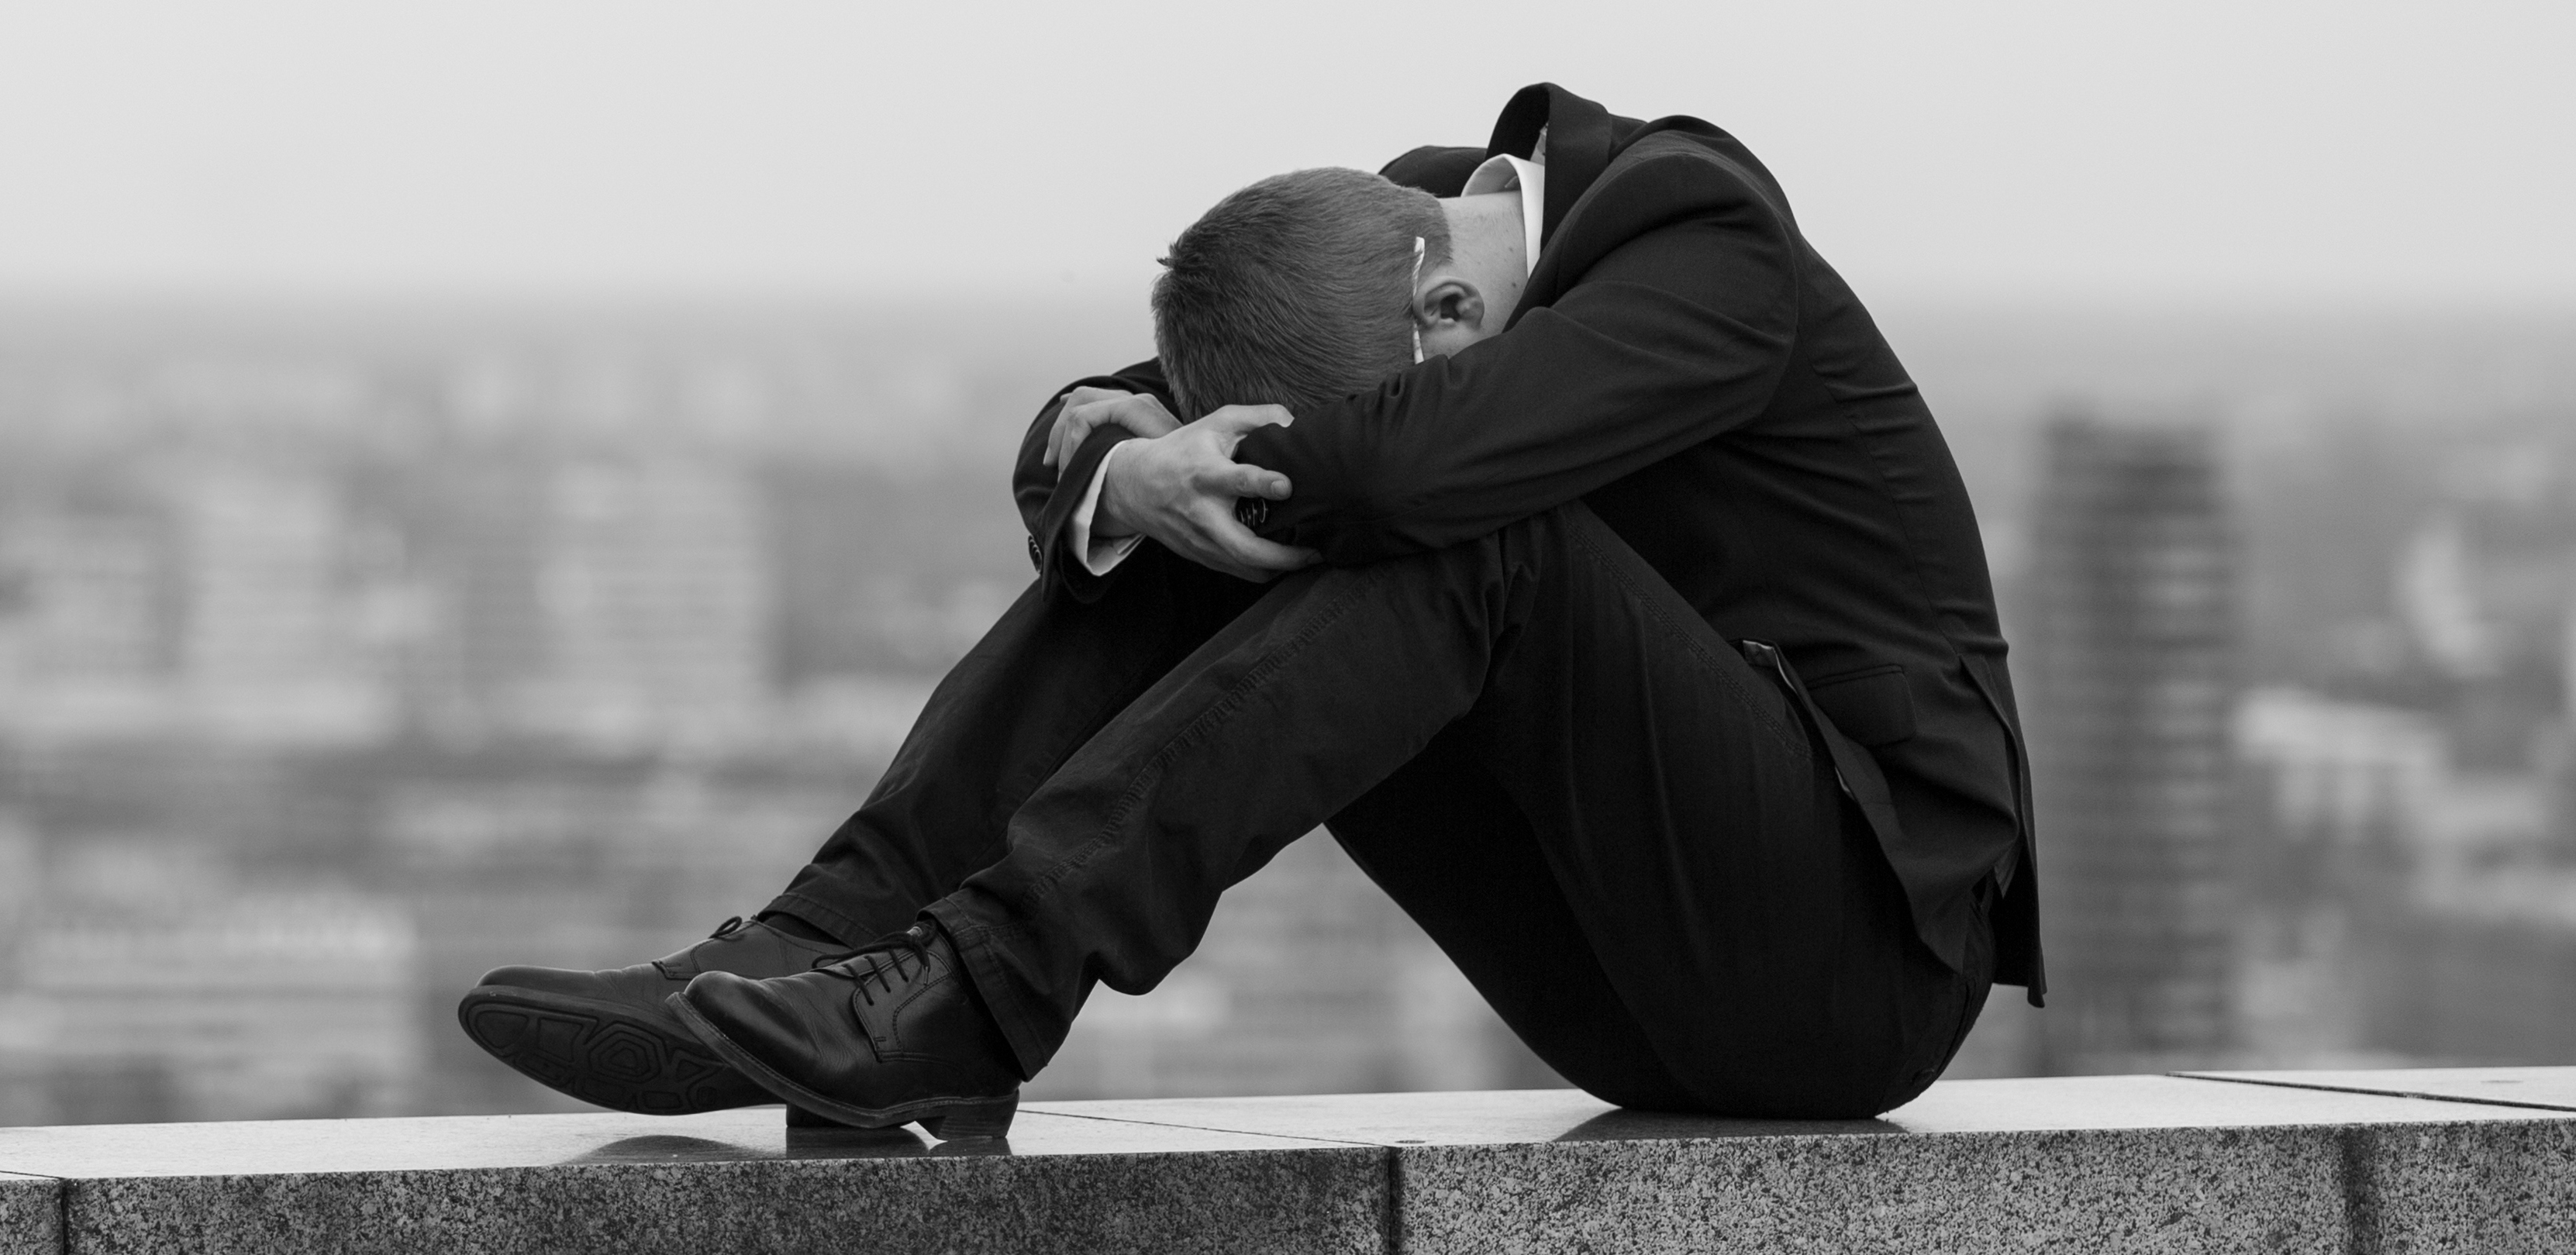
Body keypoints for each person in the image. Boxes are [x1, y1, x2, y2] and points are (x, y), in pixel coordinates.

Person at [457, 83, 2036, 1136]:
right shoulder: (1381, 253)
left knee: (1452, 528)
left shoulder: (1702, 245)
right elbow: (1100, 418)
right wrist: (1130, 479)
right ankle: (828, 948)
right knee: (1214, 506)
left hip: (1854, 971)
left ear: (1447, 312)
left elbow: (1425, 472)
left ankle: (974, 994)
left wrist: (1181, 458)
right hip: (1619, 991)